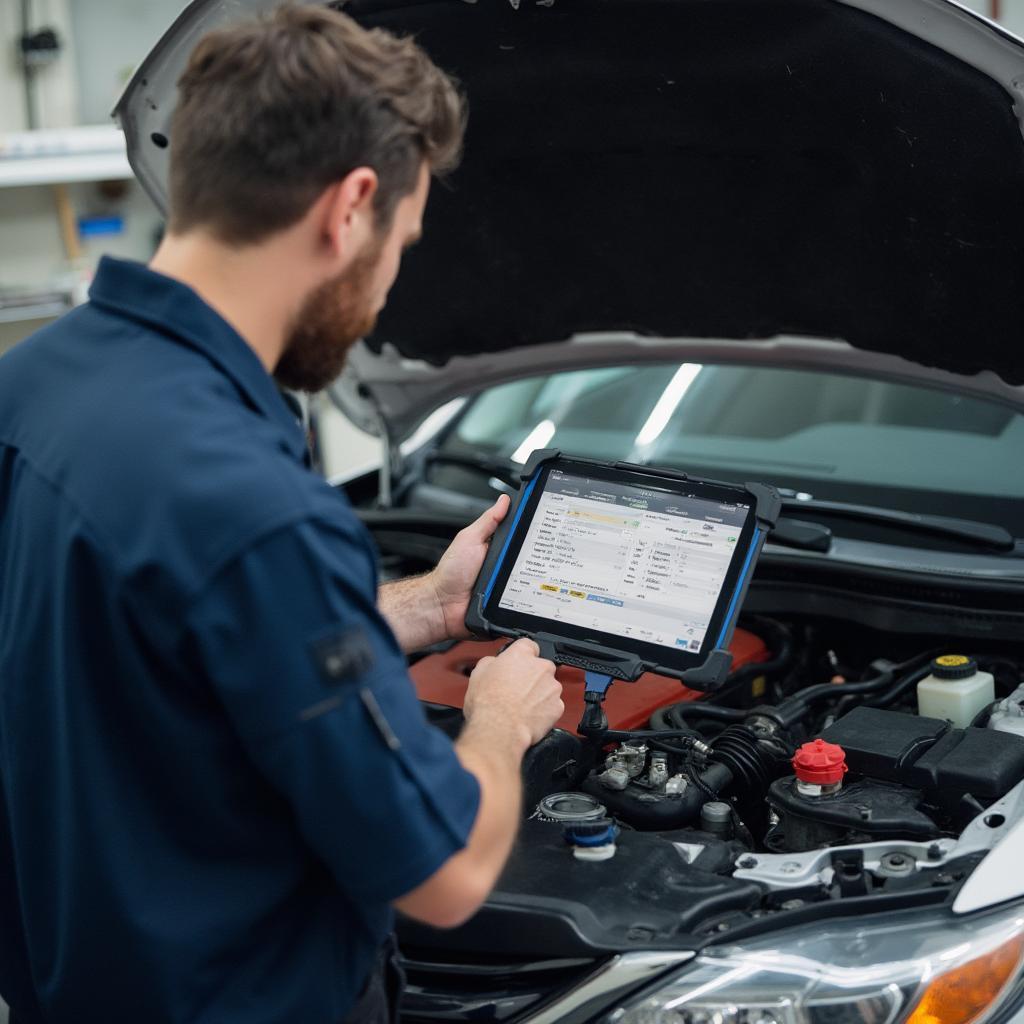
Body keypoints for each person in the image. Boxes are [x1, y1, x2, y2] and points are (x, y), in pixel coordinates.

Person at [0, 6, 563, 1023]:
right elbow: (442, 871)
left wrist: (425, 608)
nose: (388, 286)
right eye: (403, 239)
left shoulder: (31, 387)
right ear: (351, 207)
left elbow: (154, 655)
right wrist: (500, 725)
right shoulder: (256, 506)